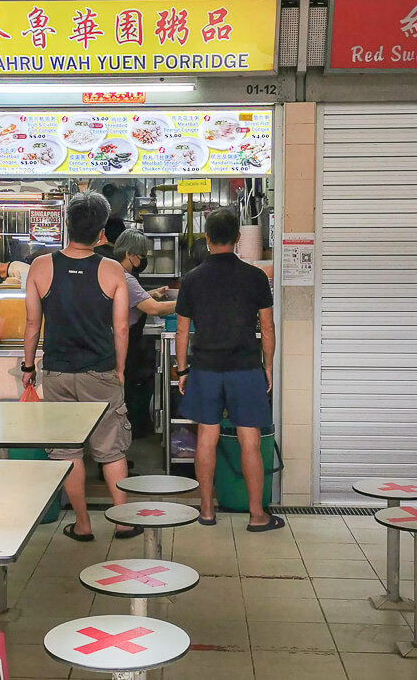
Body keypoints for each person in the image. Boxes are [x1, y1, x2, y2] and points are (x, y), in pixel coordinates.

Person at [22, 191, 140, 542]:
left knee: (68, 450)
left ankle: (83, 524)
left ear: (66, 225)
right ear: (102, 232)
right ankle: (122, 521)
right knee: (111, 448)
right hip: (100, 370)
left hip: (57, 372)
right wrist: (119, 368)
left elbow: (32, 325)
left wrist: (29, 367)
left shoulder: (41, 266)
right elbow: (121, 327)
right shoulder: (112, 269)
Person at [175, 209, 283, 532]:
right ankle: (256, 515)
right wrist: (268, 367)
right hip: (245, 367)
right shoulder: (255, 277)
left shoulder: (192, 279)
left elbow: (182, 331)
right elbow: (267, 326)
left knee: (206, 437)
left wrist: (182, 371)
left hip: (206, 368)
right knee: (249, 439)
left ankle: (207, 511)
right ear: (238, 239)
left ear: (207, 239)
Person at [113, 228, 176, 436]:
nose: (143, 259)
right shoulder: (127, 279)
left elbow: (134, 300)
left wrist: (153, 294)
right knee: (123, 399)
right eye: (141, 256)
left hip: (115, 345)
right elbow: (153, 309)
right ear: (129, 254)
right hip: (123, 346)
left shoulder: (116, 273)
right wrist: (188, 301)